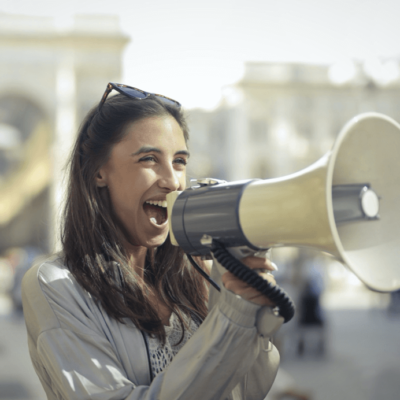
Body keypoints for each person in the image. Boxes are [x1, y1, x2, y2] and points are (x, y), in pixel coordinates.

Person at [21, 83, 283, 400]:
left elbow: (243, 392)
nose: (172, 181)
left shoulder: (200, 271)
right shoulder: (56, 284)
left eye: (180, 161)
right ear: (98, 172)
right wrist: (231, 319)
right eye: (149, 159)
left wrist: (252, 319)